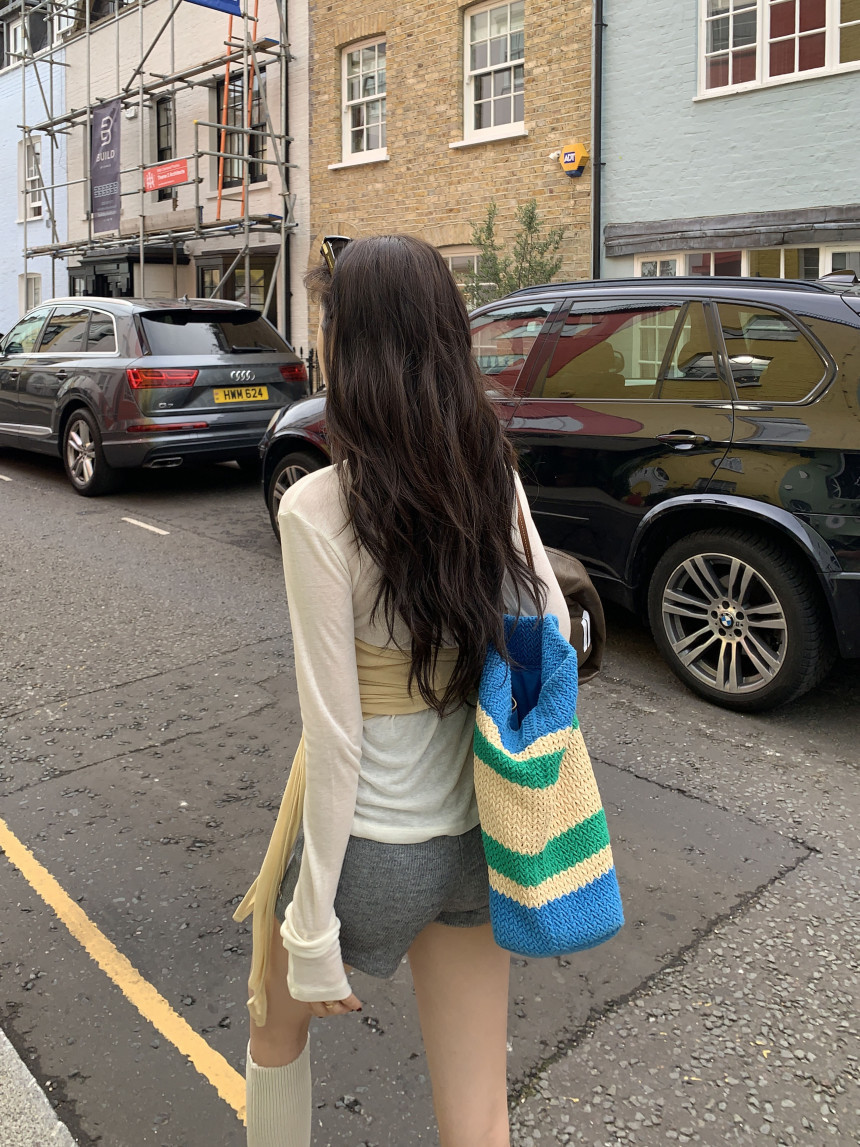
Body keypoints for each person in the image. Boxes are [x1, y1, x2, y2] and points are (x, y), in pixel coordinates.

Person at [238, 233, 570, 1147]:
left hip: (374, 845)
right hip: (479, 832)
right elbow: (553, 628)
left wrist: (312, 924)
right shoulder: (491, 474)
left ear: (350, 349)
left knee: (274, 1032)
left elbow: (335, 735)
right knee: (480, 1114)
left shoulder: (315, 507)